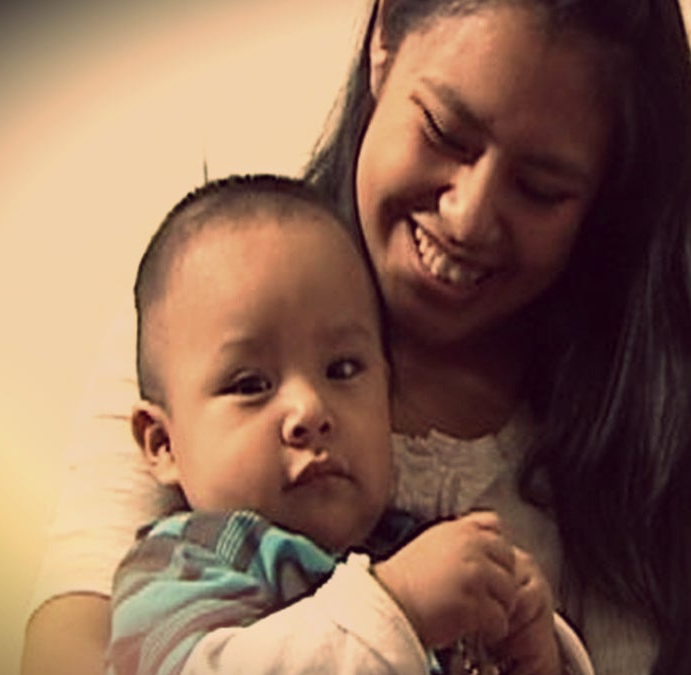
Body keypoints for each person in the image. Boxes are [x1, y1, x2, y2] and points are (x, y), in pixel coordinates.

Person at [22, 1, 691, 674]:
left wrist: (536, 644)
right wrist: (392, 608)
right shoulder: (205, 315)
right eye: (445, 132)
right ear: (382, 43)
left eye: (539, 187)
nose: (468, 216)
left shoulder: (620, 420)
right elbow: (75, 647)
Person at [108, 173, 583, 675]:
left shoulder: (412, 548)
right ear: (163, 444)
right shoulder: (183, 567)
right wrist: (394, 606)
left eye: (342, 369)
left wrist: (532, 652)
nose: (310, 409)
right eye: (251, 385)